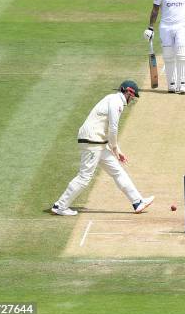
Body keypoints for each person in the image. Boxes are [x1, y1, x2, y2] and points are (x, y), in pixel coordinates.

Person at [51, 81, 155, 216]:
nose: (132, 99)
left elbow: (105, 129)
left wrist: (117, 151)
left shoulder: (112, 99)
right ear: (128, 92)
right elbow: (113, 128)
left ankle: (137, 202)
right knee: (84, 177)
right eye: (133, 96)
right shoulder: (116, 102)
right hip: (92, 141)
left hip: (97, 142)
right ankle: (60, 206)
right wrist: (115, 148)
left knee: (117, 171)